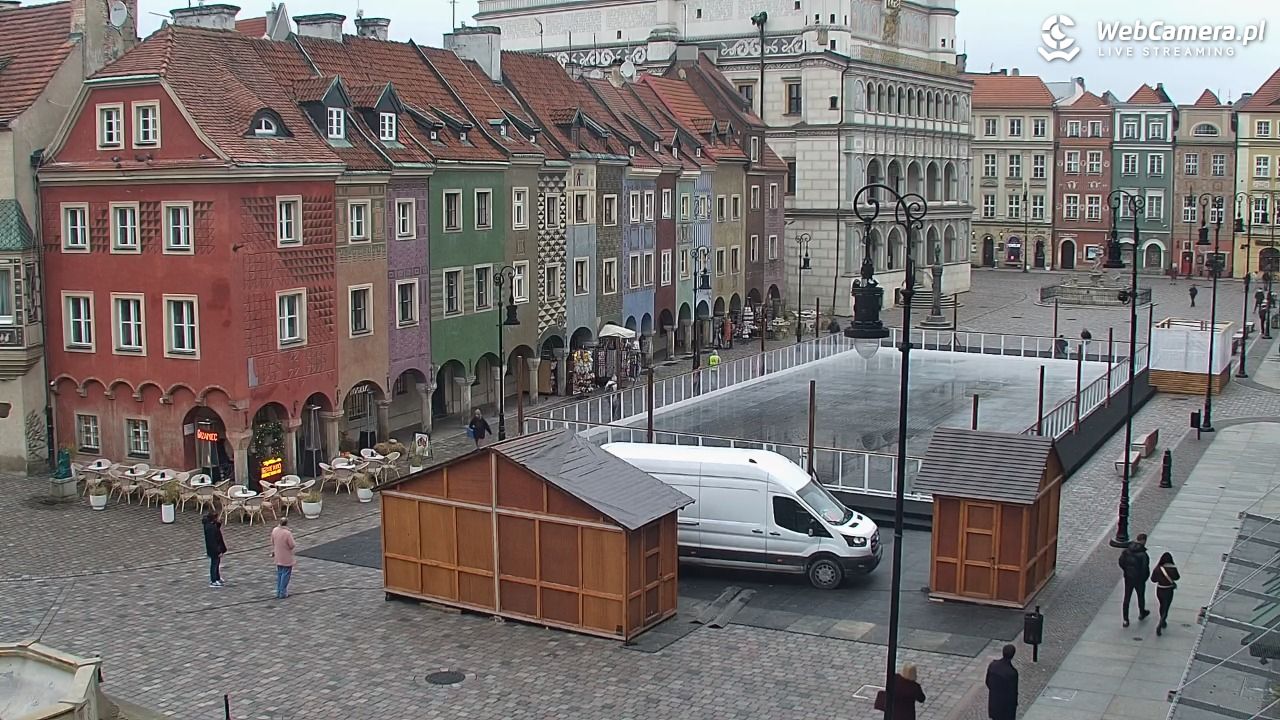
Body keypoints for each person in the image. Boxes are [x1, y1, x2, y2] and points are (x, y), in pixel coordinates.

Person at [1119, 532, 1152, 627]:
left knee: (1127, 597)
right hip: (1139, 579)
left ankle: (1125, 619)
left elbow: (1121, 562)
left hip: (1129, 577)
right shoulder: (1143, 554)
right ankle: (1142, 613)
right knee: (1140, 596)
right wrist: (1144, 578)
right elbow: (1145, 568)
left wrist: (1126, 571)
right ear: (1143, 541)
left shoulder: (1126, 551)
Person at [985, 644, 1018, 720]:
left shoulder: (993, 665)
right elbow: (1013, 692)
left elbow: (988, 682)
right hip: (1006, 707)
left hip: (994, 702)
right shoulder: (1012, 673)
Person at [1152, 551, 1181, 636]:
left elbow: (1153, 579)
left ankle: (1162, 620)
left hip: (1160, 589)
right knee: (1166, 606)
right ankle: (1161, 622)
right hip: (1168, 590)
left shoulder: (1158, 568)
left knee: (1161, 605)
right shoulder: (1172, 568)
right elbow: (1177, 577)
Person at [270, 518, 296, 599]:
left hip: (278, 556)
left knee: (280, 573)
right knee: (286, 574)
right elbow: (292, 545)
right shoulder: (287, 533)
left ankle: (278, 591)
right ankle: (282, 592)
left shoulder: (274, 530)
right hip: (286, 557)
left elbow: (272, 541)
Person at [202, 509, 226, 588]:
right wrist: (218, 551)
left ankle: (217, 577)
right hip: (214, 549)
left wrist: (218, 524)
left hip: (214, 548)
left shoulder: (211, 525)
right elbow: (213, 541)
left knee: (217, 563)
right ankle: (213, 580)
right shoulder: (210, 528)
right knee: (214, 564)